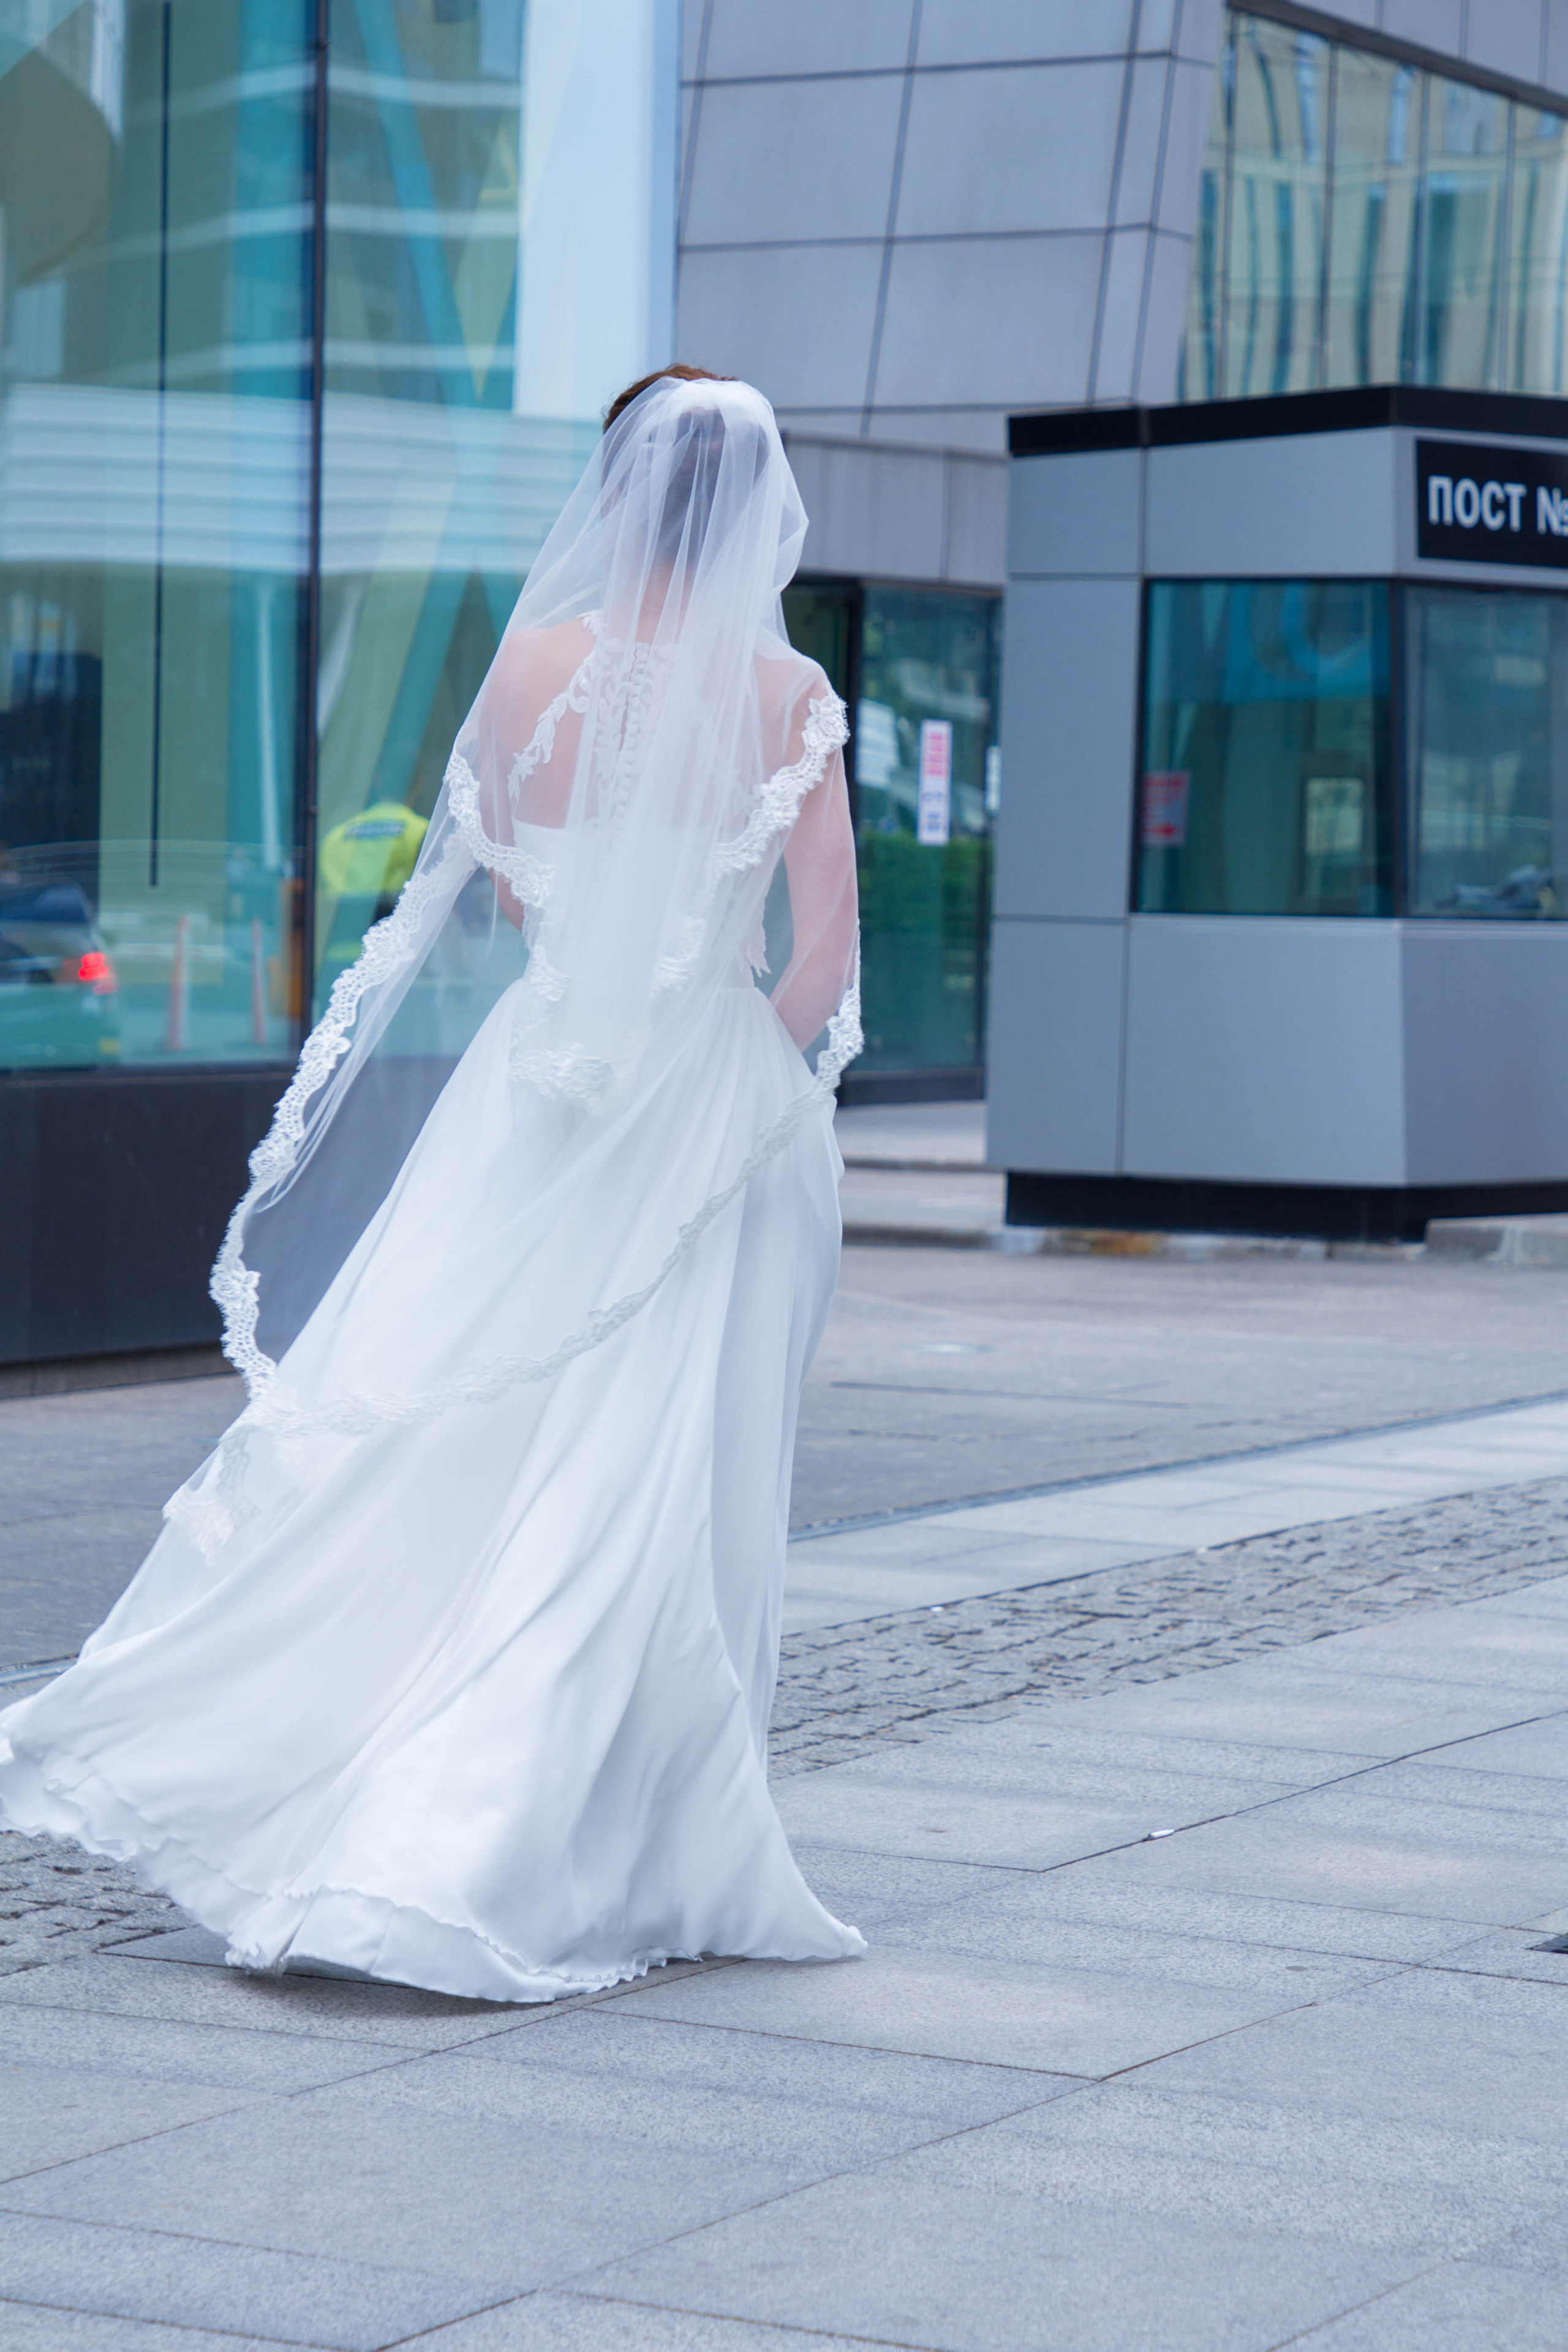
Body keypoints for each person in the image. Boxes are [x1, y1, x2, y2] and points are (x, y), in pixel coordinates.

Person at [0, 368, 866, 2000]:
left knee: (454, 1419)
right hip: (696, 1101)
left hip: (534, 1094)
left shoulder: (533, 666)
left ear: (616, 498)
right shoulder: (785, 692)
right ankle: (562, 1823)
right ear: (750, 507)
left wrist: (604, 997)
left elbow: (512, 899)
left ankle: (352, 1764)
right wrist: (728, 1067)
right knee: (644, 1465)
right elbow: (826, 944)